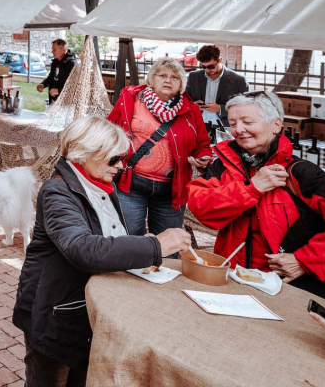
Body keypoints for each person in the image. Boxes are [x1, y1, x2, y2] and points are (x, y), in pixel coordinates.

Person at [14, 116, 191, 387]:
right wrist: (157, 246)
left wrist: (139, 243)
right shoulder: (57, 192)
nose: (121, 166)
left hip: (81, 311)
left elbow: (105, 236)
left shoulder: (98, 184)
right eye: (114, 159)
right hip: (54, 313)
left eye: (122, 158)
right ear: (86, 153)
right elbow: (83, 248)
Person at [188, 90, 325, 309]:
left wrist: (305, 261)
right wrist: (252, 189)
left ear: (276, 125)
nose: (238, 130)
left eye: (247, 121)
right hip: (232, 280)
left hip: (288, 288)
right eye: (232, 123)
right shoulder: (222, 165)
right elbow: (201, 207)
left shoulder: (301, 174)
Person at [107, 57, 210, 238]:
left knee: (168, 245)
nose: (168, 80)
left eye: (174, 77)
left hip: (171, 192)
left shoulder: (191, 110)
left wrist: (202, 157)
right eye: (162, 75)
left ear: (181, 84)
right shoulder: (130, 100)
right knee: (129, 242)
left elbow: (202, 145)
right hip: (131, 184)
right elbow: (109, 131)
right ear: (151, 79)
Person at [185, 45, 249, 135]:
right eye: (203, 67)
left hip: (225, 128)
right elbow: (185, 100)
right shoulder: (193, 76)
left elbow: (244, 108)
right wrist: (194, 105)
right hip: (197, 125)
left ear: (220, 60)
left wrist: (220, 108)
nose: (207, 70)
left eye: (211, 66)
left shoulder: (239, 80)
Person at [37, 38, 77, 104]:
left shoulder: (72, 64)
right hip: (54, 100)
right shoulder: (55, 61)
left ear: (63, 50)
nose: (52, 52)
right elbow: (51, 77)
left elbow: (74, 85)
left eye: (54, 50)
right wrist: (43, 84)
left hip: (66, 103)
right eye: (52, 49)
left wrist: (58, 91)